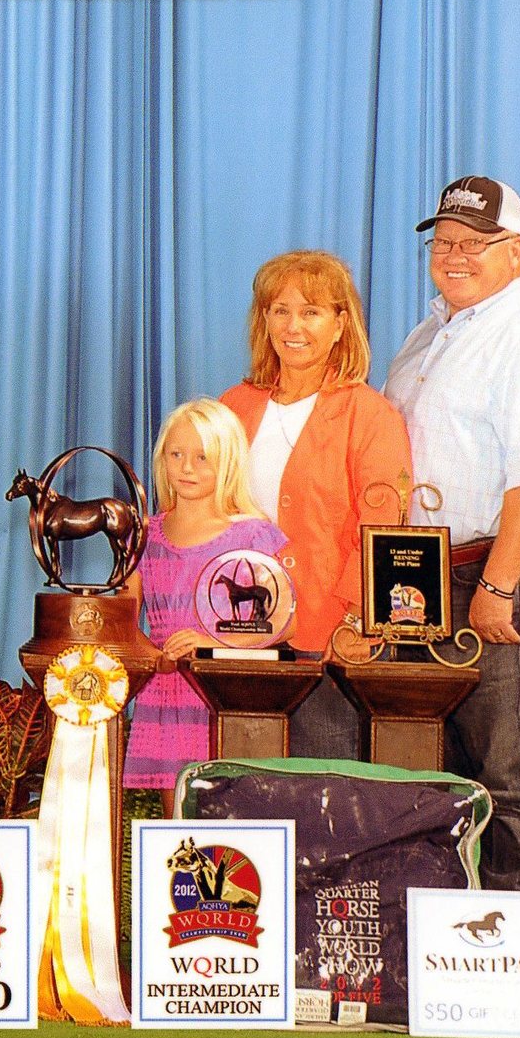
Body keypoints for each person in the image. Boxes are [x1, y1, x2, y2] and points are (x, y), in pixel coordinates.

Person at [382, 175, 520, 892]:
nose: (455, 254)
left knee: (508, 771)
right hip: (416, 574)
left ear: (518, 253)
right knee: (426, 767)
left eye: (475, 242)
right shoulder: (430, 332)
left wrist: (497, 586)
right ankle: (437, 949)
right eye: (443, 241)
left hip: (496, 569)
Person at [218, 250, 413, 759]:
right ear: (263, 320)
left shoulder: (370, 415)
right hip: (239, 634)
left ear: (340, 323)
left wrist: (354, 622)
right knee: (246, 783)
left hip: (326, 632)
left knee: (321, 789)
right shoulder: (234, 406)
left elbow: (383, 535)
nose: (293, 326)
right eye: (280, 310)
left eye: (311, 312)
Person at [124, 400, 295, 791]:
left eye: (203, 457)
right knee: (172, 827)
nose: (187, 467)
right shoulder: (144, 536)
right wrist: (152, 657)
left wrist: (214, 647)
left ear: (229, 462)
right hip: (164, 693)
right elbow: (125, 621)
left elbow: (286, 620)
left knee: (222, 814)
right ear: (161, 458)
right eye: (176, 454)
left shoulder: (251, 535)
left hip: (222, 696)